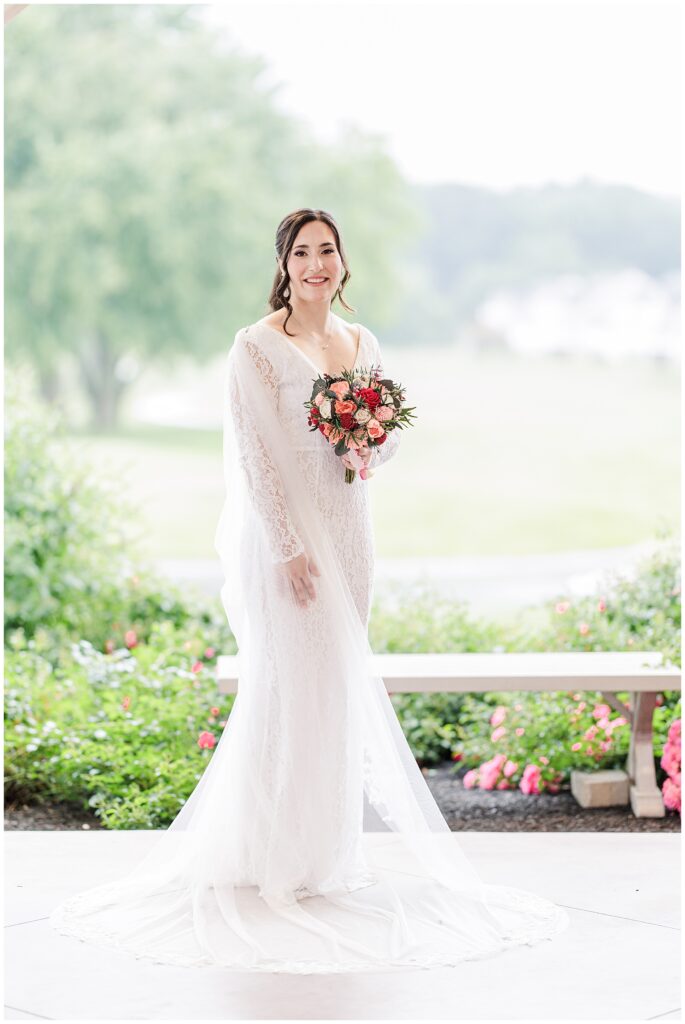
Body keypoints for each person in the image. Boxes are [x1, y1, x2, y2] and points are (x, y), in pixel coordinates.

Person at [49, 207, 570, 972]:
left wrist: (368, 444)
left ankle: (324, 852)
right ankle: (270, 854)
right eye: (302, 252)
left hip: (351, 533)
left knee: (332, 688)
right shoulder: (255, 346)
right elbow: (258, 456)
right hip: (287, 543)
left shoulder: (361, 342)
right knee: (286, 685)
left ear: (341, 263)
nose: (317, 263)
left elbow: (381, 441)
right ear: (284, 264)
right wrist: (289, 549)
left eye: (327, 250)